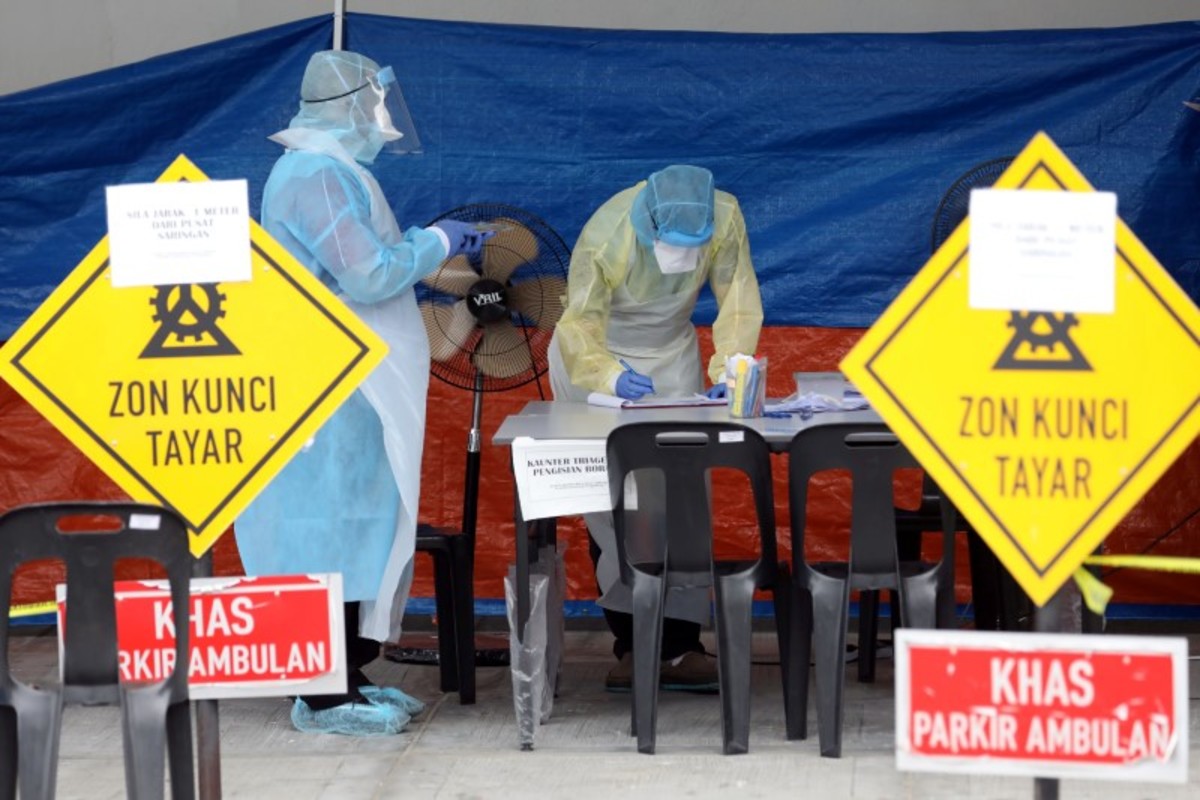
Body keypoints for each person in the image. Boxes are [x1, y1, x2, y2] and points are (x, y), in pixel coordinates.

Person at [235, 50, 492, 736]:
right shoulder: (313, 174)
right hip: (330, 381)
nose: (385, 120)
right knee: (322, 535)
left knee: (355, 532)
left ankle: (347, 673)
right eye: (375, 105)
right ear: (346, 105)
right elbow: (368, 275)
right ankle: (321, 693)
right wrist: (436, 241)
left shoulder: (334, 170)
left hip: (357, 383)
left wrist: (430, 247)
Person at [548, 164, 763, 691]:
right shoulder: (609, 231)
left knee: (683, 497)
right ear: (649, 224)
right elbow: (580, 323)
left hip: (671, 354)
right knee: (615, 500)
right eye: (672, 244)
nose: (681, 257)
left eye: (694, 245)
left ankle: (683, 645)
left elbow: (738, 300)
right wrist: (607, 374)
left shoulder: (725, 216)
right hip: (600, 360)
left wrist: (730, 371)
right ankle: (632, 646)